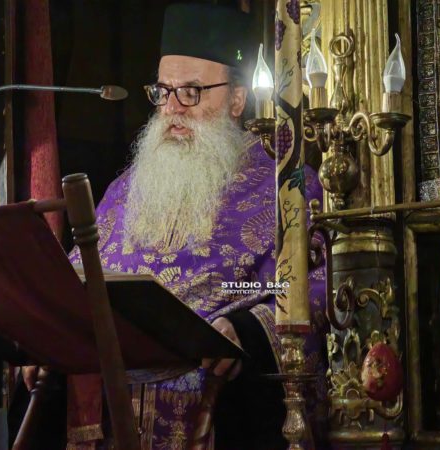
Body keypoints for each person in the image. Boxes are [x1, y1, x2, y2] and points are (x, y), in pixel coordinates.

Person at [19, 4, 327, 449]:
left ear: (237, 100)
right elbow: (77, 275)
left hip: (219, 409)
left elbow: (311, 285)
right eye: (162, 92)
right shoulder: (125, 189)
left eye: (191, 92)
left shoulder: (285, 184)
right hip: (111, 415)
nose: (172, 108)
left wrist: (244, 326)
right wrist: (43, 335)